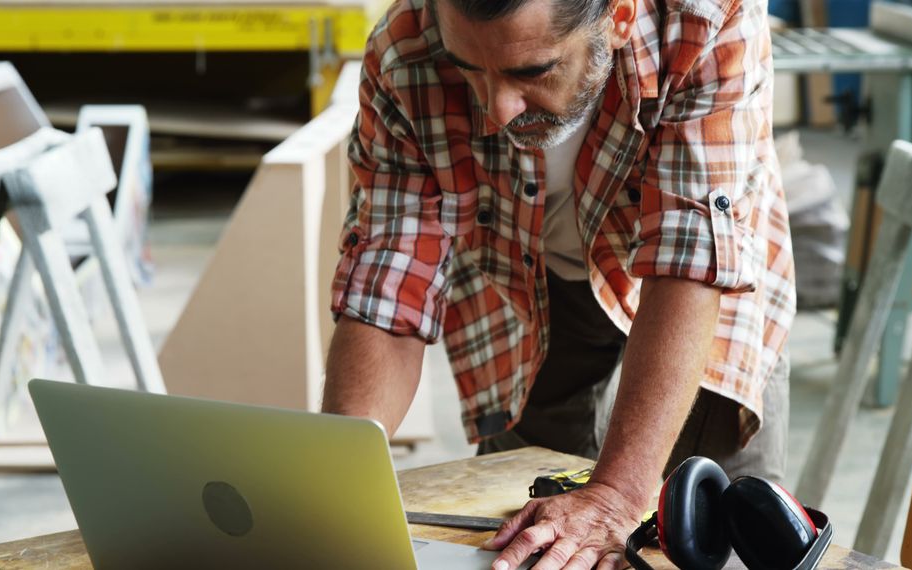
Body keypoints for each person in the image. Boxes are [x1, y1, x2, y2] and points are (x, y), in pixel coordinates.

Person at [322, 0, 795, 568]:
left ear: (618, 17)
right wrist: (335, 490)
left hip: (706, 289)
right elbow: (388, 284)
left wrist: (616, 495)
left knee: (723, 532)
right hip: (540, 293)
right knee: (524, 532)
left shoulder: (705, 15)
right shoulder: (406, 47)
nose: (496, 110)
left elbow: (688, 266)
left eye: (530, 71)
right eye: (469, 68)